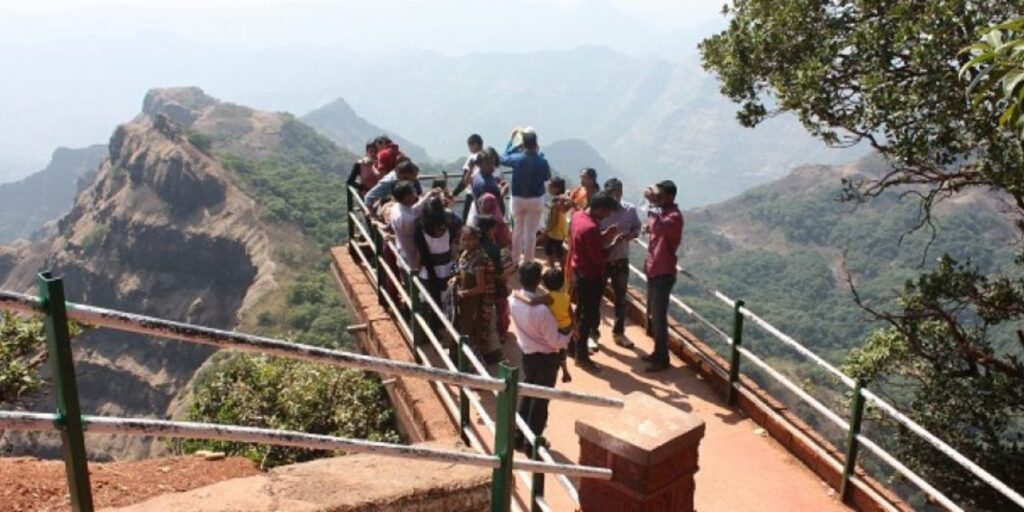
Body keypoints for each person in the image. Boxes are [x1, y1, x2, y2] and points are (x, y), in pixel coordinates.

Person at [510, 262, 571, 451]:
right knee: (541, 401)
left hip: (528, 354)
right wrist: (569, 335)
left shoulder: (513, 300)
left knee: (528, 394)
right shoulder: (542, 311)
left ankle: (518, 436)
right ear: (538, 281)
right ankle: (532, 444)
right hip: (547, 359)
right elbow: (555, 342)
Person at [568, 192, 622, 372]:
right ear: (600, 209)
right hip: (590, 275)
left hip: (578, 270)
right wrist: (614, 243)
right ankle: (581, 356)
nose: (607, 216)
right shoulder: (591, 228)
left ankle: (572, 346)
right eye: (606, 213)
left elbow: (586, 242)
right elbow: (599, 257)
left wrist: (604, 235)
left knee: (580, 310)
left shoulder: (578, 216)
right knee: (587, 316)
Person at [642, 180, 683, 373]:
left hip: (663, 271)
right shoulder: (662, 213)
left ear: (670, 197)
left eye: (660, 196)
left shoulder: (674, 217)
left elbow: (658, 228)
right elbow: (652, 227)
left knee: (659, 317)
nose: (656, 199)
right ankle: (658, 352)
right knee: (654, 315)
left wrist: (651, 204)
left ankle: (663, 357)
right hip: (653, 268)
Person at [597, 178, 641, 347]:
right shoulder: (600, 211)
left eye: (618, 194)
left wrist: (629, 235)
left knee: (621, 299)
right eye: (612, 195)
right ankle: (593, 333)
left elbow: (636, 228)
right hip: (601, 260)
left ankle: (619, 333)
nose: (616, 198)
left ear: (621, 193)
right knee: (596, 298)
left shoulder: (630, 210)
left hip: (621, 259)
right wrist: (606, 235)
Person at [513, 267, 573, 383]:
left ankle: (565, 371)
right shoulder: (566, 297)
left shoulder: (548, 298)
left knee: (557, 349)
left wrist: (517, 295)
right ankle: (565, 370)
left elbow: (531, 302)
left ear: (544, 284)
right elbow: (571, 312)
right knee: (562, 351)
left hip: (555, 331)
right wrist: (574, 329)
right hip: (566, 327)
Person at [500, 128, 551, 265]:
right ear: (536, 143)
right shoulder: (542, 161)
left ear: (523, 145)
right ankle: (529, 261)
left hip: (518, 199)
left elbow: (502, 158)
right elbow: (547, 177)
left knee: (517, 230)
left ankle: (516, 260)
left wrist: (512, 142)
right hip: (536, 199)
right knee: (531, 233)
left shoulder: (517, 158)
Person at [457, 226, 505, 365]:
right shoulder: (464, 255)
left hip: (474, 305)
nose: (466, 243)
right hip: (465, 304)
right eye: (463, 239)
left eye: (470, 239)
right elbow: (462, 274)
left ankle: (475, 367)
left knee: (473, 333)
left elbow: (481, 287)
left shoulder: (478, 260)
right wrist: (456, 279)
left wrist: (464, 293)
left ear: (476, 240)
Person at [414, 198, 457, 316]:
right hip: (446, 270)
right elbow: (453, 249)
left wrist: (416, 269)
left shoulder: (420, 230)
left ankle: (430, 325)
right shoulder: (449, 227)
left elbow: (420, 257)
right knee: (445, 299)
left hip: (428, 271)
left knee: (427, 301)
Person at [385, 180, 438, 271]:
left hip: (403, 251)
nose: (416, 193)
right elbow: (415, 214)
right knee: (413, 282)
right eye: (413, 192)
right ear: (406, 197)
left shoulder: (397, 207)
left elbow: (414, 209)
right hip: (412, 258)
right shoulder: (408, 220)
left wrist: (428, 195)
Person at [478, 216, 515, 341]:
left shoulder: (474, 245)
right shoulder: (495, 249)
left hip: (477, 285)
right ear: (490, 229)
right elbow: (502, 271)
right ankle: (501, 334)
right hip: (494, 285)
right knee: (500, 309)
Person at [466, 148, 505, 226]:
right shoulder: (484, 184)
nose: (491, 166)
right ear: (480, 165)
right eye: (488, 164)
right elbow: (488, 205)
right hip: (489, 223)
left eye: (492, 163)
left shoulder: (482, 176)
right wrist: (503, 191)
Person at [453, 133, 485, 220]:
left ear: (475, 144)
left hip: (472, 194)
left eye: (469, 146)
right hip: (486, 194)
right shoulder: (489, 156)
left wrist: (454, 194)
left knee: (467, 221)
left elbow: (464, 180)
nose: (469, 149)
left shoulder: (472, 157)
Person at [541, 177, 570, 268]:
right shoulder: (559, 199)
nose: (548, 188)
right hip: (557, 230)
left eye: (550, 186)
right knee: (556, 251)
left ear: (557, 188)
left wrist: (547, 231)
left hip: (555, 231)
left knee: (556, 251)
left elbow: (555, 219)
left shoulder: (558, 201)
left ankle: (557, 270)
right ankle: (557, 270)